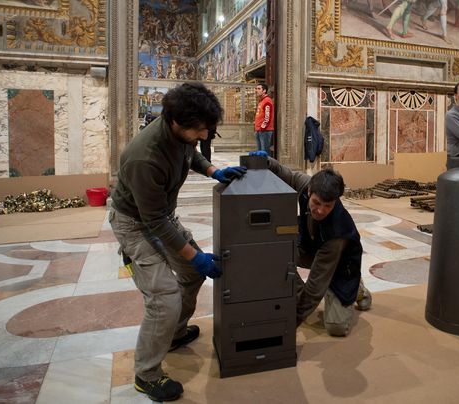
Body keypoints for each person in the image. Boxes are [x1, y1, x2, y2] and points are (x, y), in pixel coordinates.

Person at [109, 83, 246, 402]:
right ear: (176, 122)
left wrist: (215, 170)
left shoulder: (180, 133)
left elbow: (191, 154)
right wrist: (195, 257)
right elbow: (153, 222)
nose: (204, 135)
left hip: (161, 215)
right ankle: (147, 375)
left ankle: (172, 334)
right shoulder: (144, 157)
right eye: (201, 129)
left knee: (190, 275)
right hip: (135, 223)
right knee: (165, 297)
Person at [250, 151, 372, 337]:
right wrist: (265, 161)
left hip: (340, 266)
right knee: (276, 255)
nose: (320, 210)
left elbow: (315, 286)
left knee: (335, 327)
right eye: (316, 203)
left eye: (328, 206)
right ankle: (301, 296)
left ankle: (357, 288)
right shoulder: (307, 185)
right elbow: (287, 174)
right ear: (309, 192)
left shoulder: (337, 231)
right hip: (312, 249)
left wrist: (290, 323)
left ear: (336, 201)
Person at [254, 83, 275, 154]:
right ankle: (261, 165)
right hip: (259, 130)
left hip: (265, 131)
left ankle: (266, 165)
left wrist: (262, 128)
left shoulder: (267, 101)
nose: (256, 90)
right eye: (256, 89)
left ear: (264, 91)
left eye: (259, 89)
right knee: (260, 152)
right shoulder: (261, 101)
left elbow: (267, 117)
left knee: (264, 152)